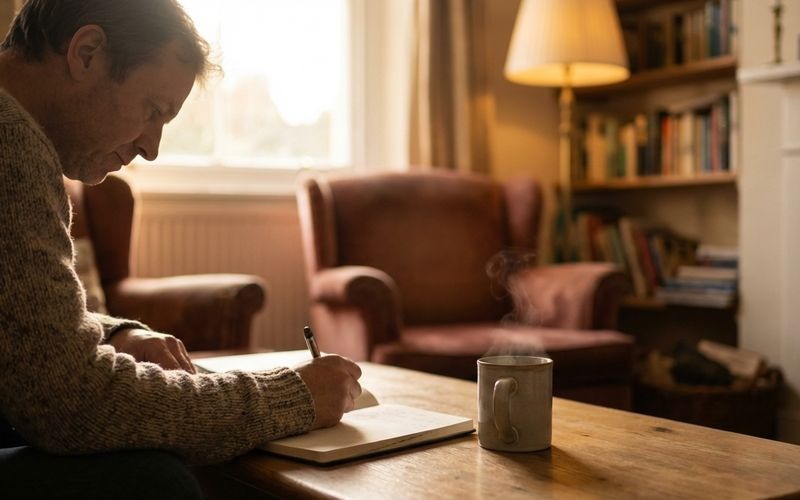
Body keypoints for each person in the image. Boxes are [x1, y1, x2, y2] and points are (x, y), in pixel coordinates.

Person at [0, 0, 362, 497]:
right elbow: (73, 402)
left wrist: (116, 334)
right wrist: (293, 396)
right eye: (153, 110)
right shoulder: (10, 147)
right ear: (86, 53)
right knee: (151, 482)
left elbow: (19, 323)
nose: (151, 148)